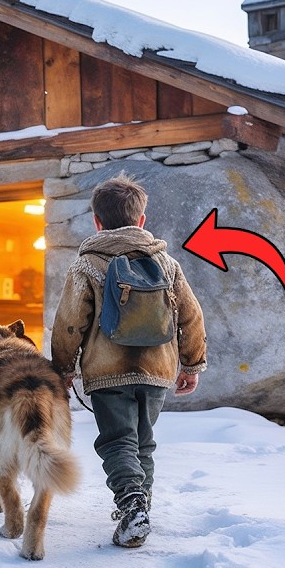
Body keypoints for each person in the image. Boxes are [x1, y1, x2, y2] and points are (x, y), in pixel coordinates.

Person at [50, 171, 207, 548]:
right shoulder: (166, 263)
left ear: (97, 221)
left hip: (108, 372)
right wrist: (192, 364)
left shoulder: (88, 263)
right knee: (143, 442)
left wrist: (63, 368)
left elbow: (70, 322)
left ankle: (132, 505)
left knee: (117, 440)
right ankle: (139, 511)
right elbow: (191, 316)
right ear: (141, 220)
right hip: (157, 370)